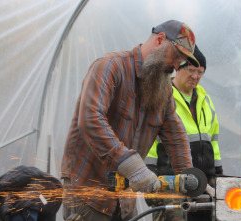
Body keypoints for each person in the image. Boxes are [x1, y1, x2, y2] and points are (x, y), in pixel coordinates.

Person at [61, 20, 200, 221]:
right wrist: (132, 166)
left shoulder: (164, 89)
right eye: (176, 57)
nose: (177, 66)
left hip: (125, 200)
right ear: (160, 40)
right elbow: (91, 119)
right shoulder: (110, 67)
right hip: (88, 194)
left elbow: (176, 137)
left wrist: (189, 179)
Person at [145, 45, 222, 221]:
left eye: (200, 72)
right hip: (170, 185)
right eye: (191, 70)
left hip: (203, 185)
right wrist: (150, 177)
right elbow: (150, 141)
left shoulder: (205, 101)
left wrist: (217, 174)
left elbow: (214, 141)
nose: (195, 76)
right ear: (178, 68)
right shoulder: (162, 96)